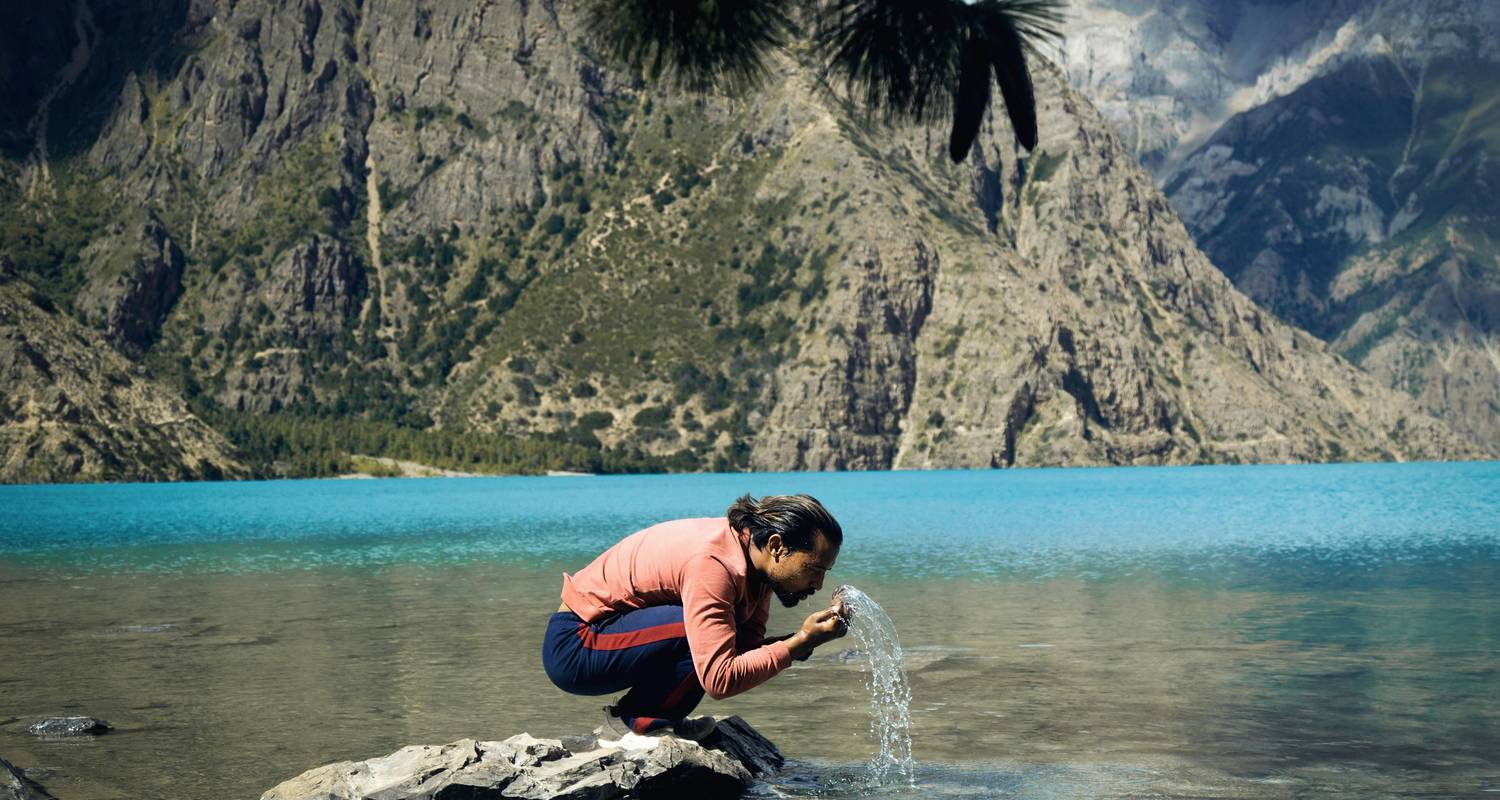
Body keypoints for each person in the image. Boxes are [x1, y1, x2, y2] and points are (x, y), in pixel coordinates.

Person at [542, 493, 847, 740]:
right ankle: (634, 722)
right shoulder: (713, 564)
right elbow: (719, 679)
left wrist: (803, 642)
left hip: (611, 639)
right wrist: (800, 641)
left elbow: (740, 652)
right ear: (777, 546)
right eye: (814, 569)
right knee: (697, 635)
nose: (818, 584)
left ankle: (657, 720)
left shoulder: (757, 567)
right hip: (576, 646)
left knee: (720, 636)